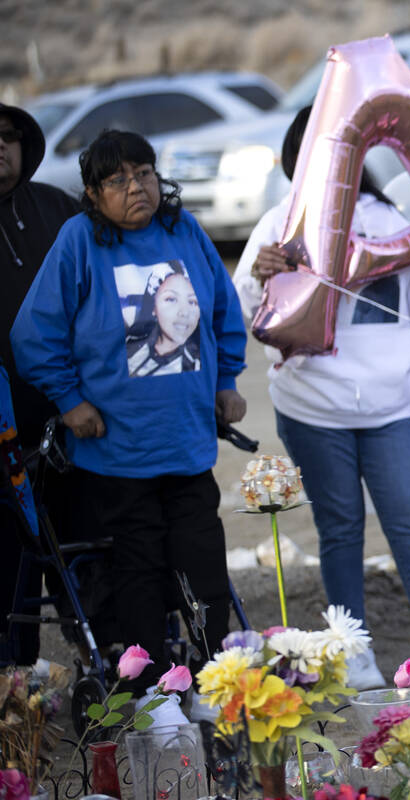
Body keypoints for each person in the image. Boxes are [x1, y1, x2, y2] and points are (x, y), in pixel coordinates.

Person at [233, 106, 410, 690]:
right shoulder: (280, 222)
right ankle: (350, 649)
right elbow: (247, 310)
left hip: (389, 406)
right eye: (319, 151)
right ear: (297, 159)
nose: (333, 162)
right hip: (311, 407)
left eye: (342, 150)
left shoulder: (389, 219)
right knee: (341, 527)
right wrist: (260, 272)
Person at [11, 130, 247, 726]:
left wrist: (228, 381)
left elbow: (221, 309)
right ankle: (154, 698)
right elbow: (31, 336)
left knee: (205, 568)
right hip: (116, 453)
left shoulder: (183, 231)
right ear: (93, 193)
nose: (134, 186)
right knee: (137, 574)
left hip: (187, 442)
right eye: (116, 180)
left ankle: (215, 681)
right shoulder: (79, 241)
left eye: (142, 172)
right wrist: (69, 401)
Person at [0, 102, 78, 666]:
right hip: (3, 433)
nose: (0, 147)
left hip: (73, 418)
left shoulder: (56, 208)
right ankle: (16, 689)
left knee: (84, 553)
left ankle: (108, 671)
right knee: (10, 570)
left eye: (7, 137)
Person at [125, 262, 202, 376]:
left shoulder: (195, 364)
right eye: (171, 299)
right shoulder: (129, 345)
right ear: (153, 307)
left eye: (192, 302)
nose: (184, 312)